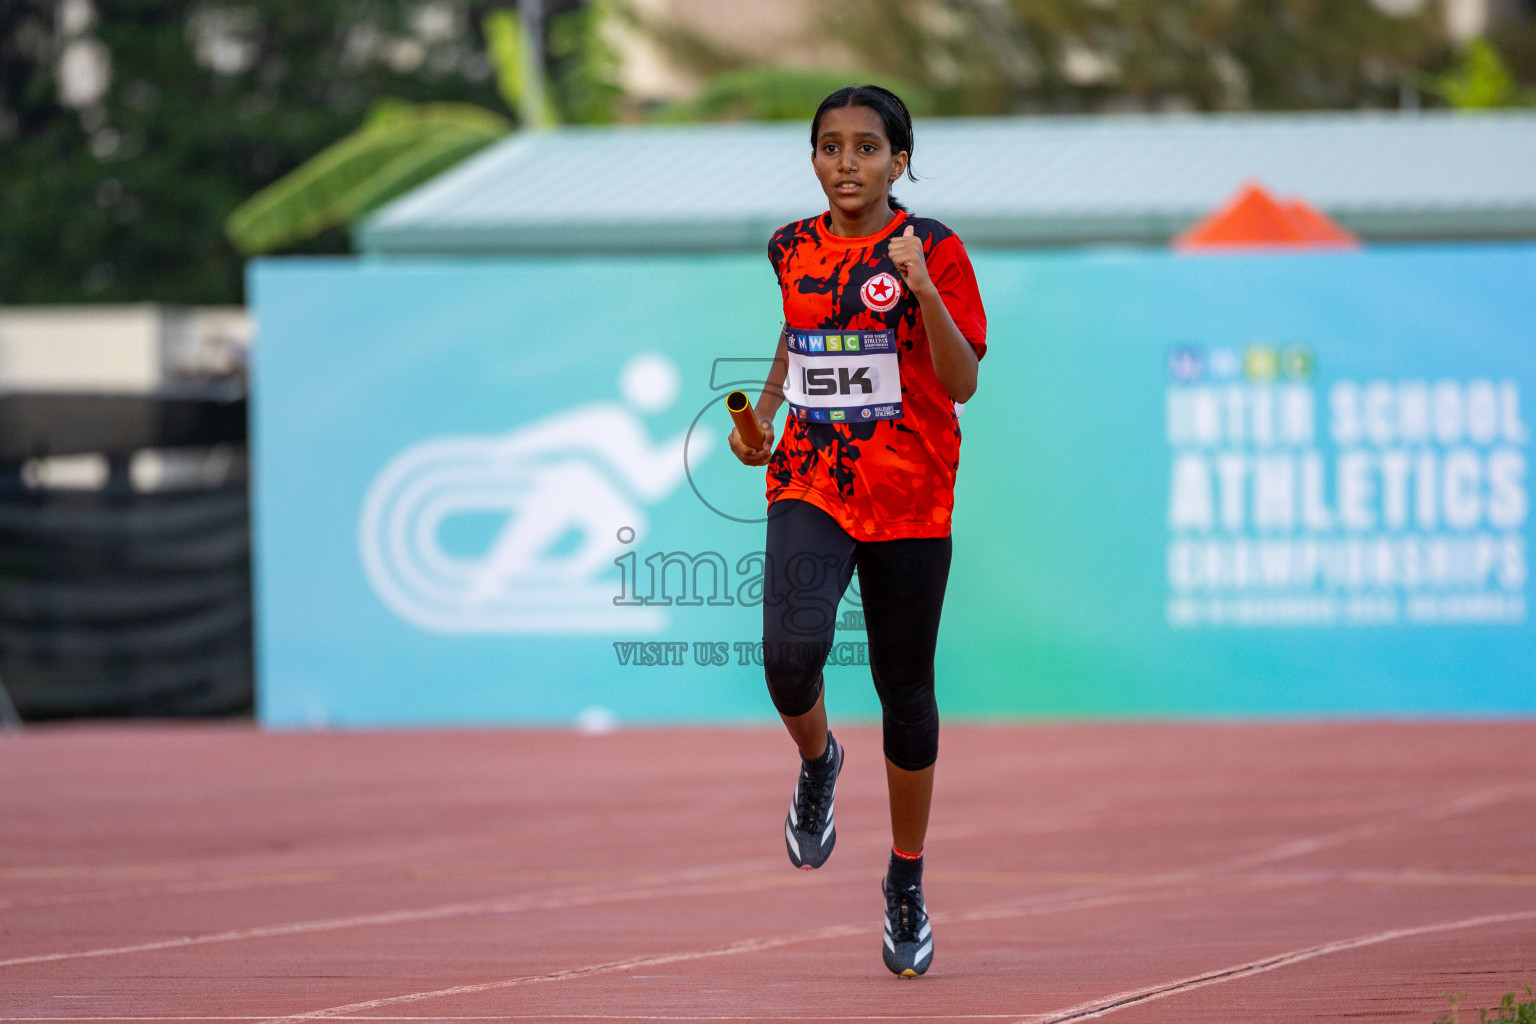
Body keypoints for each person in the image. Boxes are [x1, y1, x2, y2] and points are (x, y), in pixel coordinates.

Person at [727, 84, 987, 978]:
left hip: (911, 492)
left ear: (899, 161)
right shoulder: (790, 246)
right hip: (812, 480)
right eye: (830, 147)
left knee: (903, 688)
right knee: (787, 658)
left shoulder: (935, 249)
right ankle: (817, 760)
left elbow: (960, 382)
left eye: (867, 148)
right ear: (812, 159)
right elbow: (799, 339)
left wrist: (922, 293)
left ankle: (906, 879)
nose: (848, 163)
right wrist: (761, 418)